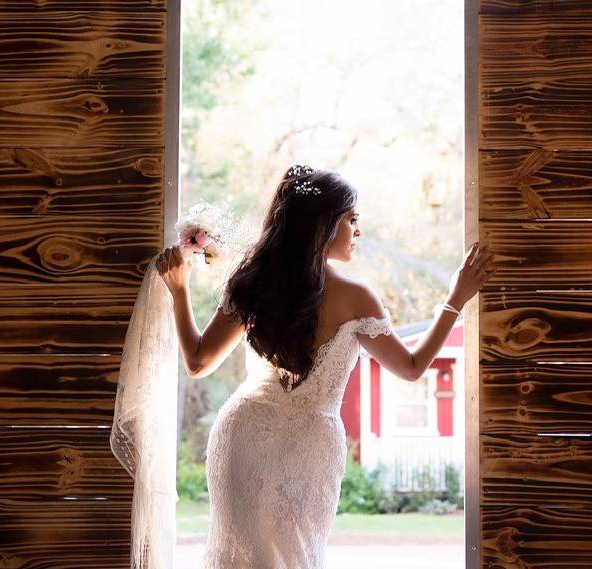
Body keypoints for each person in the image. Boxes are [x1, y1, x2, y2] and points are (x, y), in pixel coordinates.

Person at [155, 164, 497, 569]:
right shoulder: (355, 297)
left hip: (245, 433)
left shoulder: (254, 281)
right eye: (351, 219)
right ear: (322, 226)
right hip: (300, 440)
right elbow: (411, 367)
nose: (359, 230)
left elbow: (197, 361)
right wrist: (454, 299)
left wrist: (180, 292)